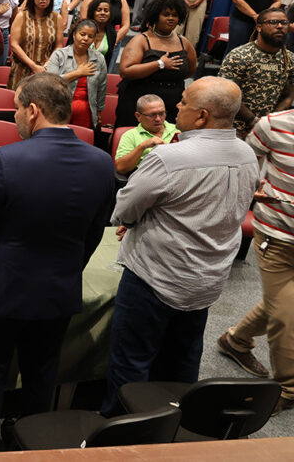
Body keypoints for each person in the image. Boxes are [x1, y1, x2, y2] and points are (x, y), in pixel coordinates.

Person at [0, 73, 116, 453]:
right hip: (59, 288)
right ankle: (34, 446)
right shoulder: (102, 163)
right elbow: (94, 233)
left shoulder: (9, 158)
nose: (16, 118)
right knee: (42, 375)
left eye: (18, 110)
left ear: (34, 110)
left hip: (2, 288)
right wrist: (71, 267)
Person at [102, 77, 258, 414]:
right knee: (183, 360)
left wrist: (134, 223)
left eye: (183, 103)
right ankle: (173, 424)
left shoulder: (169, 158)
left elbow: (124, 210)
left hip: (155, 278)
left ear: (201, 116)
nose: (176, 107)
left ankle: (119, 438)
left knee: (131, 364)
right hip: (208, 281)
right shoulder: (248, 154)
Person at [221, 109, 294, 415]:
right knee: (288, 316)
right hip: (277, 237)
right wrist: (255, 189)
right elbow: (243, 166)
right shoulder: (274, 124)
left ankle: (235, 340)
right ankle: (289, 389)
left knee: (281, 301)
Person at [116, 0, 196, 126]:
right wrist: (160, 64)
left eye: (175, 15)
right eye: (166, 14)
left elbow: (190, 71)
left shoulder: (184, 42)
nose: (171, 18)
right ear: (155, 16)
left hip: (171, 103)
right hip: (140, 102)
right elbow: (125, 71)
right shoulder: (141, 40)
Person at [220, 7, 294, 135]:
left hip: (268, 129)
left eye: (284, 22)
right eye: (273, 22)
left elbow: (289, 94)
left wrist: (269, 120)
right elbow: (225, 95)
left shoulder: (290, 58)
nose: (280, 26)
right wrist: (252, 120)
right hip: (233, 129)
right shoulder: (239, 55)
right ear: (259, 27)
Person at [46, 19, 108, 129]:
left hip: (86, 112)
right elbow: (50, 82)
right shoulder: (59, 55)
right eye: (82, 34)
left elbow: (102, 88)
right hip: (59, 108)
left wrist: (98, 112)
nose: (85, 39)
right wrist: (78, 73)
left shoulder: (98, 59)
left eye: (90, 36)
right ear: (74, 35)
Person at [7, 0, 58, 90]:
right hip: (21, 69)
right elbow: (14, 45)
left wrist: (46, 65)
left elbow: (58, 46)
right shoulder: (22, 16)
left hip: (45, 71)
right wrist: (33, 66)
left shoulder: (56, 18)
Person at [114, 94, 180, 176]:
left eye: (161, 113)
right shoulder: (130, 135)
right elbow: (121, 168)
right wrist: (142, 147)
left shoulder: (177, 130)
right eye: (152, 115)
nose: (158, 119)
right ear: (138, 116)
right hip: (146, 178)